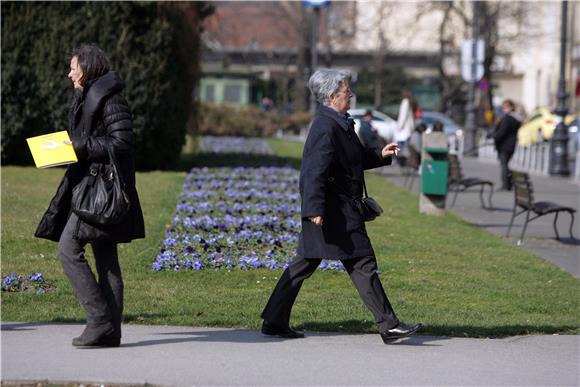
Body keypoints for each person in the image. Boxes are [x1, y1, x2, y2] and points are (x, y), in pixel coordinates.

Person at [260, 69, 422, 344]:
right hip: (332, 211)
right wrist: (313, 210)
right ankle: (389, 325)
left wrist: (380, 155)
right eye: (347, 92)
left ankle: (274, 321)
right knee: (362, 263)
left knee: (307, 264)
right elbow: (313, 171)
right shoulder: (326, 126)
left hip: (336, 210)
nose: (351, 96)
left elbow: (353, 159)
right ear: (333, 96)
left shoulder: (339, 122)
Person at [35, 43, 145, 347]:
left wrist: (80, 147)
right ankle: (111, 332)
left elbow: (122, 143)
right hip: (90, 187)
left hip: (101, 192)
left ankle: (99, 320)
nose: (70, 73)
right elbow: (86, 140)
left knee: (68, 249)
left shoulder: (110, 100)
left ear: (89, 68)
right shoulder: (87, 96)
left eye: (74, 67)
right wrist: (62, 149)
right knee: (106, 258)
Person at [493, 99, 521, 190]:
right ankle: (508, 183)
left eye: (505, 107)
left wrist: (494, 137)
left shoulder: (507, 119)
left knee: (504, 165)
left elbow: (501, 132)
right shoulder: (515, 119)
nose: (504, 109)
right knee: (505, 164)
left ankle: (506, 184)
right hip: (511, 145)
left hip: (504, 145)